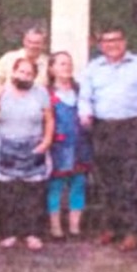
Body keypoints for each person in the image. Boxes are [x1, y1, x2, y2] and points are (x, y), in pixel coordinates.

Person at [79, 24, 137, 251]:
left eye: (116, 40)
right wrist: (85, 113)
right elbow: (85, 97)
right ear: (100, 45)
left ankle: (134, 231)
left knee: (132, 181)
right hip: (103, 128)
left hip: (132, 127)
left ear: (124, 42)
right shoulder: (93, 68)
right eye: (107, 41)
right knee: (107, 182)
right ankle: (111, 227)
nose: (112, 45)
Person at [0, 57, 54, 250]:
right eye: (21, 71)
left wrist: (47, 141)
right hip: (7, 145)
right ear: (13, 72)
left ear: (34, 76)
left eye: (29, 73)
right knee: (7, 192)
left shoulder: (41, 92)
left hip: (34, 144)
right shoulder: (1, 91)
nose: (24, 76)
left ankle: (33, 234)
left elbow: (49, 119)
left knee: (34, 192)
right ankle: (8, 233)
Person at [46, 51, 91, 239]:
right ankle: (55, 227)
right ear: (52, 68)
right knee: (55, 187)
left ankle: (74, 226)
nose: (67, 67)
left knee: (79, 184)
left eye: (69, 63)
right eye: (62, 64)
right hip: (58, 146)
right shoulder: (47, 94)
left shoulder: (81, 91)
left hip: (81, 145)